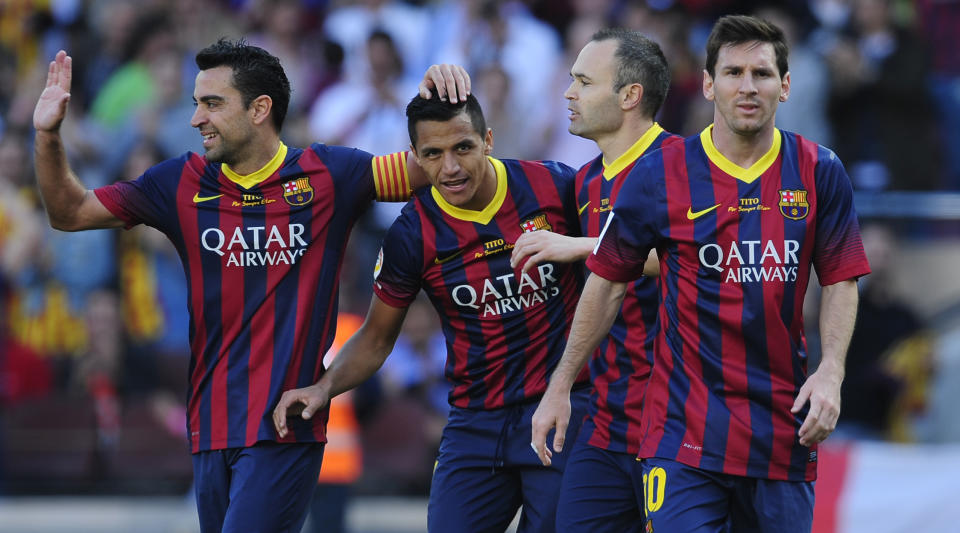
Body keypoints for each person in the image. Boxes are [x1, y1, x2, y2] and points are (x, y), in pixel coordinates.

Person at [32, 40, 468, 533]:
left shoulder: (330, 174)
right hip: (210, 428)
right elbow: (69, 213)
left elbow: (433, 165)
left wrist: (441, 106)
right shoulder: (178, 182)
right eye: (197, 103)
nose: (196, 118)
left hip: (283, 427)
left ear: (260, 109)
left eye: (212, 103)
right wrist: (49, 136)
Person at [541, 15, 871, 531]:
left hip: (781, 431)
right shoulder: (660, 174)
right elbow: (607, 284)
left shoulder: (818, 169)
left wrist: (831, 371)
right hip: (683, 434)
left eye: (761, 74)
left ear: (785, 86)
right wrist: (562, 382)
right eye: (733, 72)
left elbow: (841, 276)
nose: (747, 86)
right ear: (709, 83)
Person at [273, 90, 591, 533]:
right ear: (415, 159)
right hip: (474, 421)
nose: (451, 167)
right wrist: (324, 387)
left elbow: (626, 259)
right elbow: (377, 336)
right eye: (433, 154)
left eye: (463, 147)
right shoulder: (411, 234)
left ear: (489, 140)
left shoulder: (554, 187)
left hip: (560, 409)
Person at [510, 28, 679, 533]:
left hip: (674, 417)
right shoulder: (584, 181)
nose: (569, 94)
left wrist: (579, 246)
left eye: (583, 82)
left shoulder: (683, 166)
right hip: (606, 416)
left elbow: (686, 260)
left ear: (630, 96)